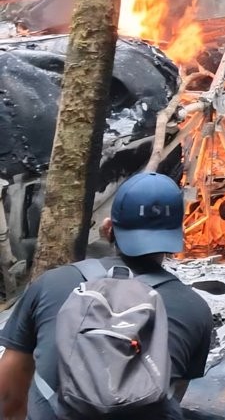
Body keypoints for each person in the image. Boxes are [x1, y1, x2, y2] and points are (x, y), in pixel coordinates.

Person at [0, 172, 213, 420]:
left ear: (108, 228)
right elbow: (169, 398)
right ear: (177, 236)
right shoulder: (195, 310)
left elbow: (8, 397)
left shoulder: (50, 285)